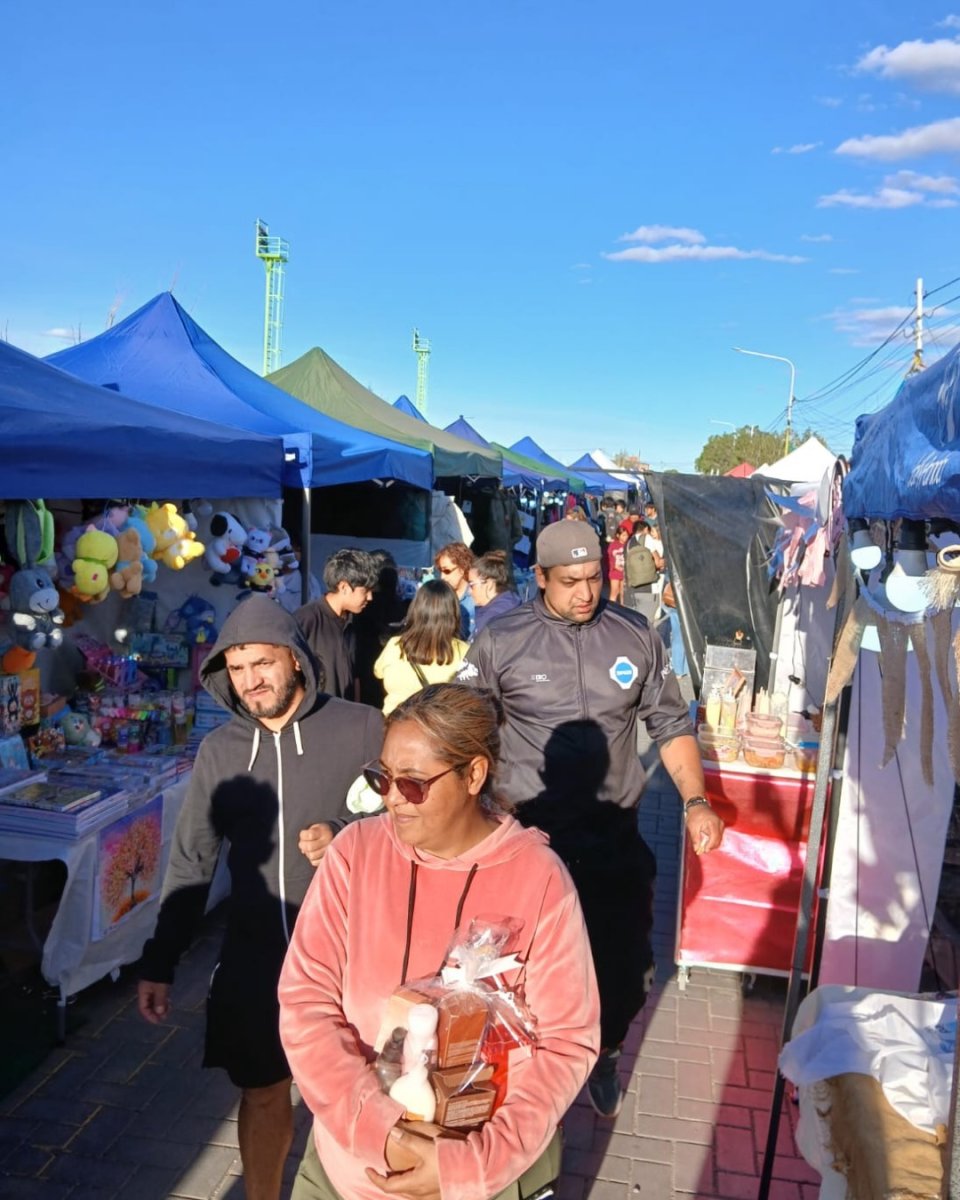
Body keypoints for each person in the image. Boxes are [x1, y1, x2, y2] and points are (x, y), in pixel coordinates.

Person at [278, 683, 599, 1200]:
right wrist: (378, 1131)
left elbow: (567, 1043)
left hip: (486, 1179)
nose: (390, 798)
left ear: (474, 775)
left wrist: (468, 1166)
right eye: (382, 778)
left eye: (412, 784)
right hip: (349, 1174)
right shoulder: (354, 854)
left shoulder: (540, 878)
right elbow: (305, 1004)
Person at [458, 520, 723, 1118]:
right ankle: (521, 1075)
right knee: (513, 965)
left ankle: (605, 1050)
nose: (585, 593)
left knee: (625, 968)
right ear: (540, 577)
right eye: (570, 581)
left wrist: (695, 801)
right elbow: (463, 725)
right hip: (528, 838)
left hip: (612, 839)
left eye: (595, 577)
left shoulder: (635, 634)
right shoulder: (502, 639)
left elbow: (670, 723)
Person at [137, 596, 384, 1200]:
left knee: (365, 1093)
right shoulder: (220, 751)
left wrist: (347, 834)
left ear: (294, 658)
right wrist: (160, 961)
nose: (250, 681)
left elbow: (408, 818)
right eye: (237, 668)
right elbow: (193, 859)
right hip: (257, 956)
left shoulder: (362, 728)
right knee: (263, 1091)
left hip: (353, 954)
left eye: (262, 663)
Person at [295, 548, 380, 701]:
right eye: (365, 591)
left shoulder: (355, 621)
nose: (370, 597)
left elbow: (355, 673)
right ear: (344, 587)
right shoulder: (305, 620)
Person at [373, 579, 469, 714]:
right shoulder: (464, 652)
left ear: (416, 609)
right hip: (438, 725)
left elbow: (378, 672)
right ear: (453, 614)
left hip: (394, 723)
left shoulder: (395, 645)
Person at [468, 550, 521, 637]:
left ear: (489, 585)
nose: (469, 591)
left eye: (472, 585)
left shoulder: (493, 619)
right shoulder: (509, 603)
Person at [434, 541, 476, 640]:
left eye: (447, 571)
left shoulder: (477, 599)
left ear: (462, 568)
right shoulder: (438, 595)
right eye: (440, 571)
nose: (442, 577)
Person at [606, 522, 629, 605]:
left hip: (625, 572)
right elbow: (610, 558)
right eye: (623, 535)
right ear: (618, 535)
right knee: (614, 592)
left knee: (623, 593)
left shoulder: (628, 545)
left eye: (626, 535)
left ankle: (623, 608)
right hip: (615, 572)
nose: (625, 537)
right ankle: (611, 608)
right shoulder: (613, 545)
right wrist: (614, 566)